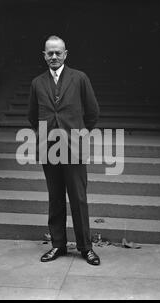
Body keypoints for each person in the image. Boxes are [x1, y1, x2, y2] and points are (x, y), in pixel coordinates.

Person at [28, 35, 101, 265]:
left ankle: (85, 248)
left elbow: (92, 113)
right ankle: (58, 245)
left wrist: (76, 134)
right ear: (44, 56)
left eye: (58, 53)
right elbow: (32, 116)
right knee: (55, 198)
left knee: (78, 198)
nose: (54, 57)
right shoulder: (37, 83)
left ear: (65, 54)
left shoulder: (79, 78)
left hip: (74, 147)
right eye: (49, 53)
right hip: (49, 148)